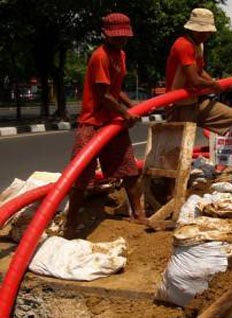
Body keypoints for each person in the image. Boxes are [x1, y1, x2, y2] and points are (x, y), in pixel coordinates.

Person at [65, 13, 145, 238]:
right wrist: (126, 113)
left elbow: (115, 88)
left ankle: (138, 214)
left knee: (129, 170)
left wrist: (132, 105)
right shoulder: (99, 56)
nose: (121, 41)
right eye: (116, 37)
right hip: (92, 124)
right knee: (80, 177)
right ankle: (71, 224)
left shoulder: (120, 55)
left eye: (123, 37)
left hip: (112, 122)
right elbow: (103, 95)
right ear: (105, 34)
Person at [165, 8, 232, 174]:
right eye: (202, 31)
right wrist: (214, 85)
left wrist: (213, 82)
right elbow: (194, 79)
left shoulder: (199, 46)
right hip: (179, 105)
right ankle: (169, 188)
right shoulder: (183, 45)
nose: (205, 35)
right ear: (191, 29)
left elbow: (200, 71)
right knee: (179, 151)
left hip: (197, 101)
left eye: (207, 32)